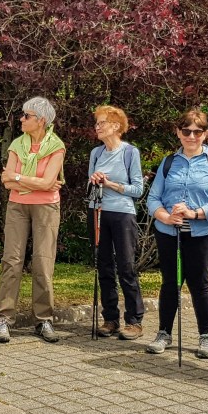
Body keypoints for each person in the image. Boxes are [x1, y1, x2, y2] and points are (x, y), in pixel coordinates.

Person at [145, 109, 208, 357]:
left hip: (203, 233)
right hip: (169, 232)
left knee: (199, 283)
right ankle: (164, 333)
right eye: (186, 131)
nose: (192, 136)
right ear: (178, 132)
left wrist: (194, 213)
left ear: (206, 133)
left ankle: (206, 337)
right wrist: (166, 217)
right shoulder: (169, 162)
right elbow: (153, 198)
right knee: (170, 282)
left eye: (197, 131)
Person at [0, 97, 65, 343]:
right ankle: (3, 319)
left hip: (47, 207)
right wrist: (34, 181)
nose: (21, 119)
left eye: (27, 115)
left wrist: (18, 177)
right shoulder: (17, 144)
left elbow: (46, 183)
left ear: (41, 120)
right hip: (17, 206)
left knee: (43, 263)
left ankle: (44, 320)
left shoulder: (56, 146)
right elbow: (7, 181)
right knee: (11, 261)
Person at [88, 105, 145, 340]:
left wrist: (111, 184)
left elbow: (138, 189)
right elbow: (89, 187)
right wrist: (94, 180)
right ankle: (110, 318)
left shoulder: (130, 153)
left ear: (116, 126)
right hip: (98, 212)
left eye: (101, 123)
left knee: (126, 266)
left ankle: (134, 321)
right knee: (104, 267)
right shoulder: (96, 153)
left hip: (122, 214)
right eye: (97, 123)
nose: (97, 127)